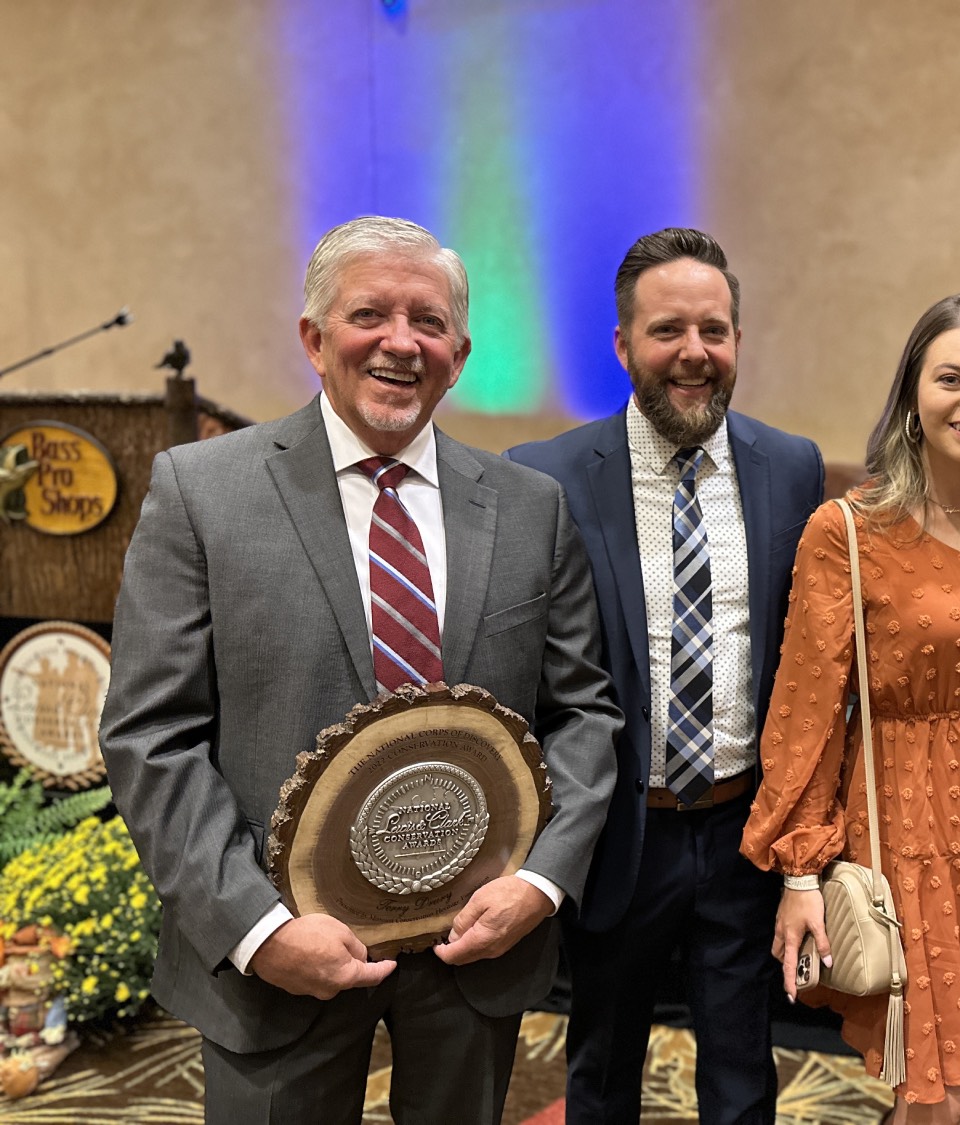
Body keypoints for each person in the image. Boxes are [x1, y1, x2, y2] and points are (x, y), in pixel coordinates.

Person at [99, 216, 621, 1124]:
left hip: (472, 952)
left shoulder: (532, 509)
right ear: (314, 338)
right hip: (277, 961)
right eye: (369, 314)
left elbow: (584, 715)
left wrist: (539, 883)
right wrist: (258, 929)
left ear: (458, 356)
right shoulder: (200, 492)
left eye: (427, 322)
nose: (400, 342)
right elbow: (152, 735)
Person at [506, 227, 825, 1124]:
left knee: (742, 1071)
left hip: (740, 832)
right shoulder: (548, 477)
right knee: (601, 1070)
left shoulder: (790, 465)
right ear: (622, 345)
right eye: (667, 331)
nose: (694, 353)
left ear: (736, 341)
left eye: (714, 331)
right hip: (618, 833)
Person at [741, 292, 960, 1124]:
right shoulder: (849, 531)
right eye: (951, 378)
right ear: (912, 395)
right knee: (929, 1074)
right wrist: (802, 866)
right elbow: (806, 710)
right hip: (904, 820)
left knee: (950, 1079)